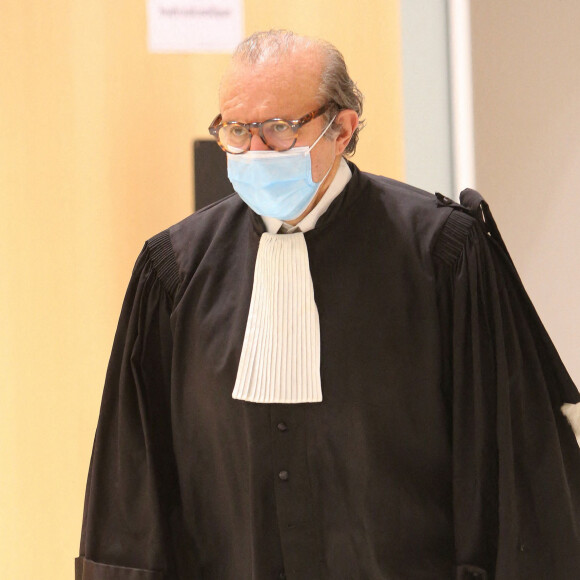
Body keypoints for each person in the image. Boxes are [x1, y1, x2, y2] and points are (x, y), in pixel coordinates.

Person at [76, 30, 580, 580]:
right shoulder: (172, 270)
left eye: (279, 128)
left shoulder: (444, 255)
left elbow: (508, 470)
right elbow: (133, 486)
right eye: (237, 131)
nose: (255, 151)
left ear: (342, 127)